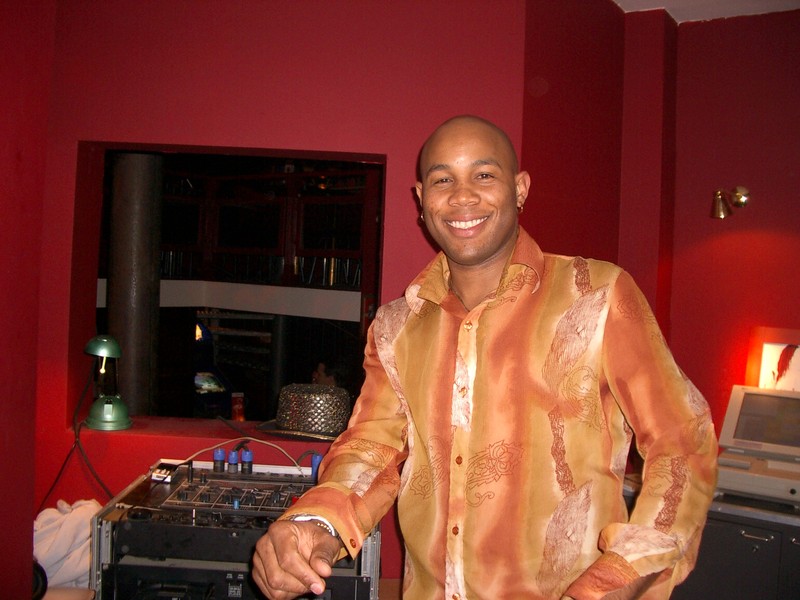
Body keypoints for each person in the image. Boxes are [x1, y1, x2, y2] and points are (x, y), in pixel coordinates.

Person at [252, 115, 718, 599]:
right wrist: (317, 525)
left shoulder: (598, 296)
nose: (462, 196)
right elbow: (373, 448)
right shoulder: (395, 326)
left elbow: (683, 442)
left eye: (484, 174)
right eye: (442, 180)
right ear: (421, 200)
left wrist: (620, 578)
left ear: (520, 189)